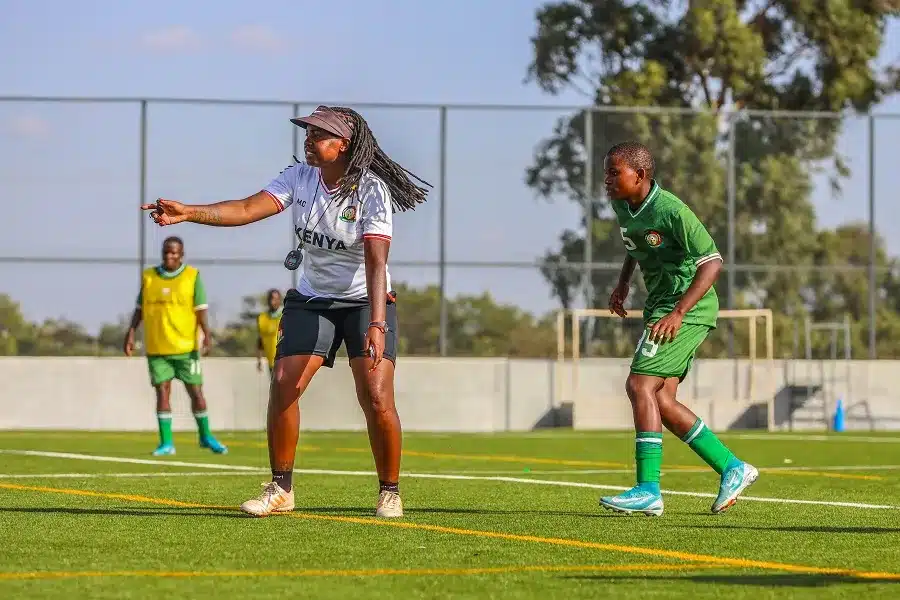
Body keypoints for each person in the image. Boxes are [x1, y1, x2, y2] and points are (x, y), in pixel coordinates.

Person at [142, 105, 430, 518]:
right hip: (313, 299)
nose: (308, 140)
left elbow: (376, 261)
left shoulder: (371, 190)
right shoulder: (299, 177)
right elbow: (246, 209)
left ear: (343, 145)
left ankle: (389, 491)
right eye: (307, 133)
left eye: (319, 135)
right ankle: (281, 489)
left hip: (366, 300)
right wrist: (189, 212)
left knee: (376, 395)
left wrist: (378, 323)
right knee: (283, 383)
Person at [598, 141, 758, 517]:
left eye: (614, 173)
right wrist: (623, 283)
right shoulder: (623, 205)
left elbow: (712, 262)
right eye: (606, 173)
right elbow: (634, 244)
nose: (607, 180)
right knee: (662, 402)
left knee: (639, 385)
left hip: (687, 307)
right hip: (660, 305)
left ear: (640, 175)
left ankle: (648, 489)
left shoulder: (672, 210)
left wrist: (679, 312)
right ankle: (732, 468)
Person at [124, 236, 228, 457]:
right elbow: (139, 309)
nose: (169, 256)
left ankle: (206, 436)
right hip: (157, 348)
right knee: (162, 391)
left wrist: (207, 335)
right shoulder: (149, 277)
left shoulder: (192, 276)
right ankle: (166, 443)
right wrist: (131, 332)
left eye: (174, 253)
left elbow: (201, 310)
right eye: (166, 252)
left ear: (181, 255)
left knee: (196, 392)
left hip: (186, 348)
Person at [256, 288, 283, 377]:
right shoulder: (262, 318)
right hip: (272, 362)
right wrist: (259, 360)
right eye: (272, 299)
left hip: (285, 362)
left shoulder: (286, 315)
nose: (274, 302)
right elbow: (260, 341)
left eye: (276, 299)